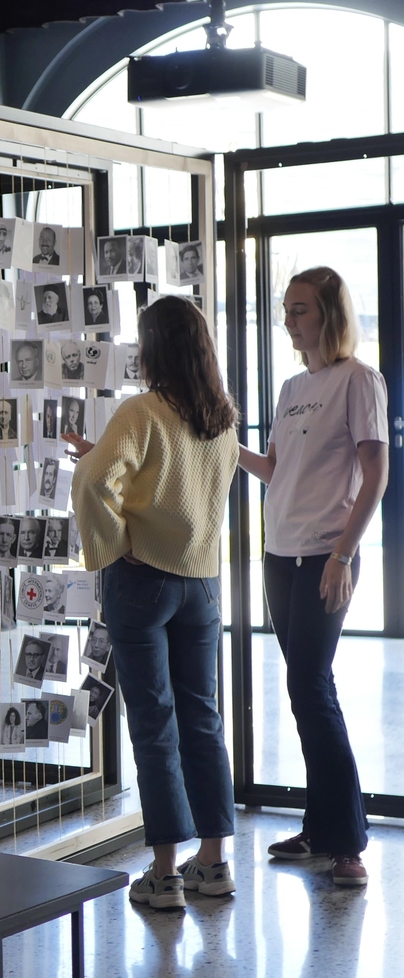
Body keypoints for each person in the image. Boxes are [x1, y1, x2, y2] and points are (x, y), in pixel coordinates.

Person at [67, 294, 238, 910]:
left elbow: (93, 484)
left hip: (144, 585)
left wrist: (115, 546)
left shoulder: (141, 411)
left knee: (154, 727)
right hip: (203, 585)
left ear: (154, 348)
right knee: (203, 719)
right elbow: (183, 490)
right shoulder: (222, 417)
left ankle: (164, 873)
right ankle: (214, 863)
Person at [236, 267, 388, 888]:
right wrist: (224, 446)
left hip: (327, 554)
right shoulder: (294, 385)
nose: (288, 320)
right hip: (280, 554)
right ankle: (320, 827)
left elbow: (374, 474)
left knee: (310, 687)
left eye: (299, 310)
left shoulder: (359, 380)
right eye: (285, 309)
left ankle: (348, 842)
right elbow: (276, 469)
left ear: (329, 313)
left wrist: (344, 555)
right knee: (306, 692)